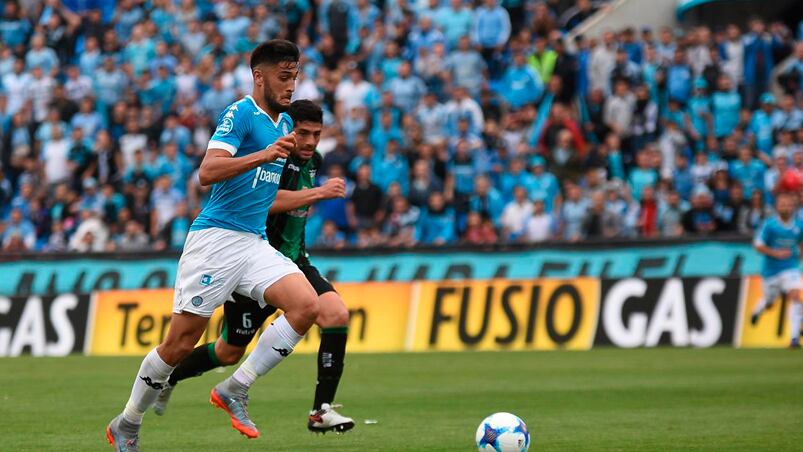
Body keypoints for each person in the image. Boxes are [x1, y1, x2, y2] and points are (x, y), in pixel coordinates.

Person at [105, 40, 320, 450]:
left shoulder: (282, 124)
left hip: (253, 242)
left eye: (295, 76)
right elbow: (208, 172)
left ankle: (235, 387)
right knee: (179, 343)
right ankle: (128, 422)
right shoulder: (241, 113)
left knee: (306, 306)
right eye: (284, 76)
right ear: (260, 76)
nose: (291, 85)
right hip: (216, 240)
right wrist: (262, 156)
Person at [151, 100, 356, 434]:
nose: (309, 142)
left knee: (335, 314)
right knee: (229, 351)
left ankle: (320, 411)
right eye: (302, 133)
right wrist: (318, 194)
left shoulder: (313, 162)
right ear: (287, 130)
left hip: (293, 263)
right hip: (251, 262)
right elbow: (269, 202)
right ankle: (171, 374)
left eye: (316, 134)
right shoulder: (273, 156)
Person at [751, 192, 803, 348]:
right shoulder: (770, 225)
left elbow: (801, 243)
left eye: (788, 205)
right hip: (770, 271)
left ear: (793, 207)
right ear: (777, 207)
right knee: (770, 303)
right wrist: (776, 253)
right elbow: (758, 245)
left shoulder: (799, 225)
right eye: (782, 205)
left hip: (790, 267)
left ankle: (794, 338)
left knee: (795, 295)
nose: (785, 208)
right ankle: (759, 308)